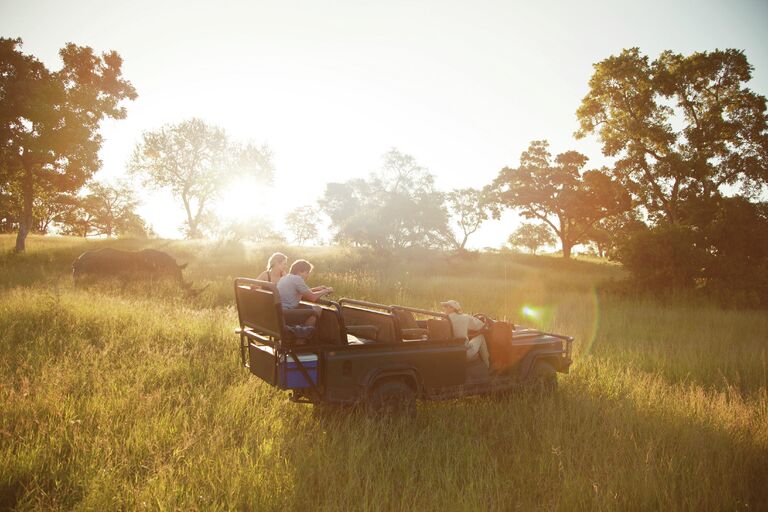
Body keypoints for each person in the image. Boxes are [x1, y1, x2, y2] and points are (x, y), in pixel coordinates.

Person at [277, 259, 333, 327]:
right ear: (300, 271)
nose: (307, 275)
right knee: (317, 309)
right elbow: (313, 298)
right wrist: (327, 290)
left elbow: (301, 292)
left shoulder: (285, 277)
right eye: (307, 273)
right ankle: (304, 333)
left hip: (278, 312)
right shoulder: (297, 279)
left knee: (308, 308)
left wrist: (317, 289)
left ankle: (302, 331)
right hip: (285, 314)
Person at [441, 299, 490, 368]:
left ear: (452, 308)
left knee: (470, 341)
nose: (444, 308)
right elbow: (481, 326)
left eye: (446, 306)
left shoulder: (443, 319)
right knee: (481, 337)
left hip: (449, 351)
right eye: (444, 306)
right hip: (463, 352)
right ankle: (487, 366)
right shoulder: (465, 318)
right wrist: (486, 327)